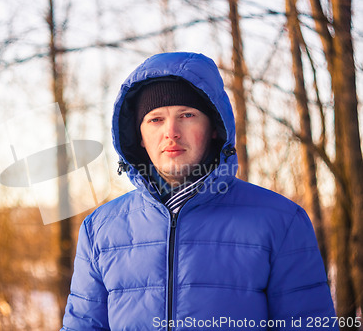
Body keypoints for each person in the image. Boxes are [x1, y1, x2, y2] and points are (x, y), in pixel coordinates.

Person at [60, 52, 337, 331]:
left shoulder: (282, 221)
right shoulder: (99, 228)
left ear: (214, 128)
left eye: (187, 115)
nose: (171, 132)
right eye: (155, 119)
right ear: (140, 137)